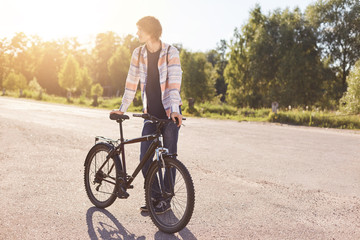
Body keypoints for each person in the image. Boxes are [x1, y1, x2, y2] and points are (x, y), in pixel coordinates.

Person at [110, 16, 183, 213]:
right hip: (150, 113)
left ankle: (165, 201)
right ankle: (155, 197)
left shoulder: (170, 52)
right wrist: (122, 108)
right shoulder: (138, 53)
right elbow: (131, 82)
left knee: (169, 158)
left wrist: (175, 110)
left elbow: (175, 84)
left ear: (151, 30)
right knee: (145, 157)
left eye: (140, 29)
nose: (137, 33)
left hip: (169, 112)